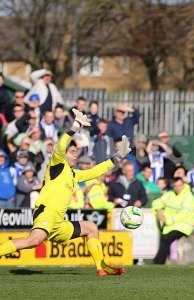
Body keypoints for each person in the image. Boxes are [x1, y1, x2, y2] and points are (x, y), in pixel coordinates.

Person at [0, 109, 131, 276]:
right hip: (46, 213)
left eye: (76, 152)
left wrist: (119, 156)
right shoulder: (56, 165)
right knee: (33, 241)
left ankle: (100, 267)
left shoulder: (74, 174)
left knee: (91, 228)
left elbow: (96, 171)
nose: (75, 155)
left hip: (59, 222)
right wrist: (76, 125)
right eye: (72, 152)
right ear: (64, 154)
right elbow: (61, 145)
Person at [152, 176, 194, 264]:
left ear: (183, 185)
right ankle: (161, 261)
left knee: (166, 238)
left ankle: (158, 262)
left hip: (183, 225)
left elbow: (183, 214)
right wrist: (158, 210)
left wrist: (169, 220)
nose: (177, 188)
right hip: (171, 225)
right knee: (164, 239)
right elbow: (157, 202)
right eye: (175, 186)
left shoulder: (189, 197)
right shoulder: (170, 194)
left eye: (179, 185)